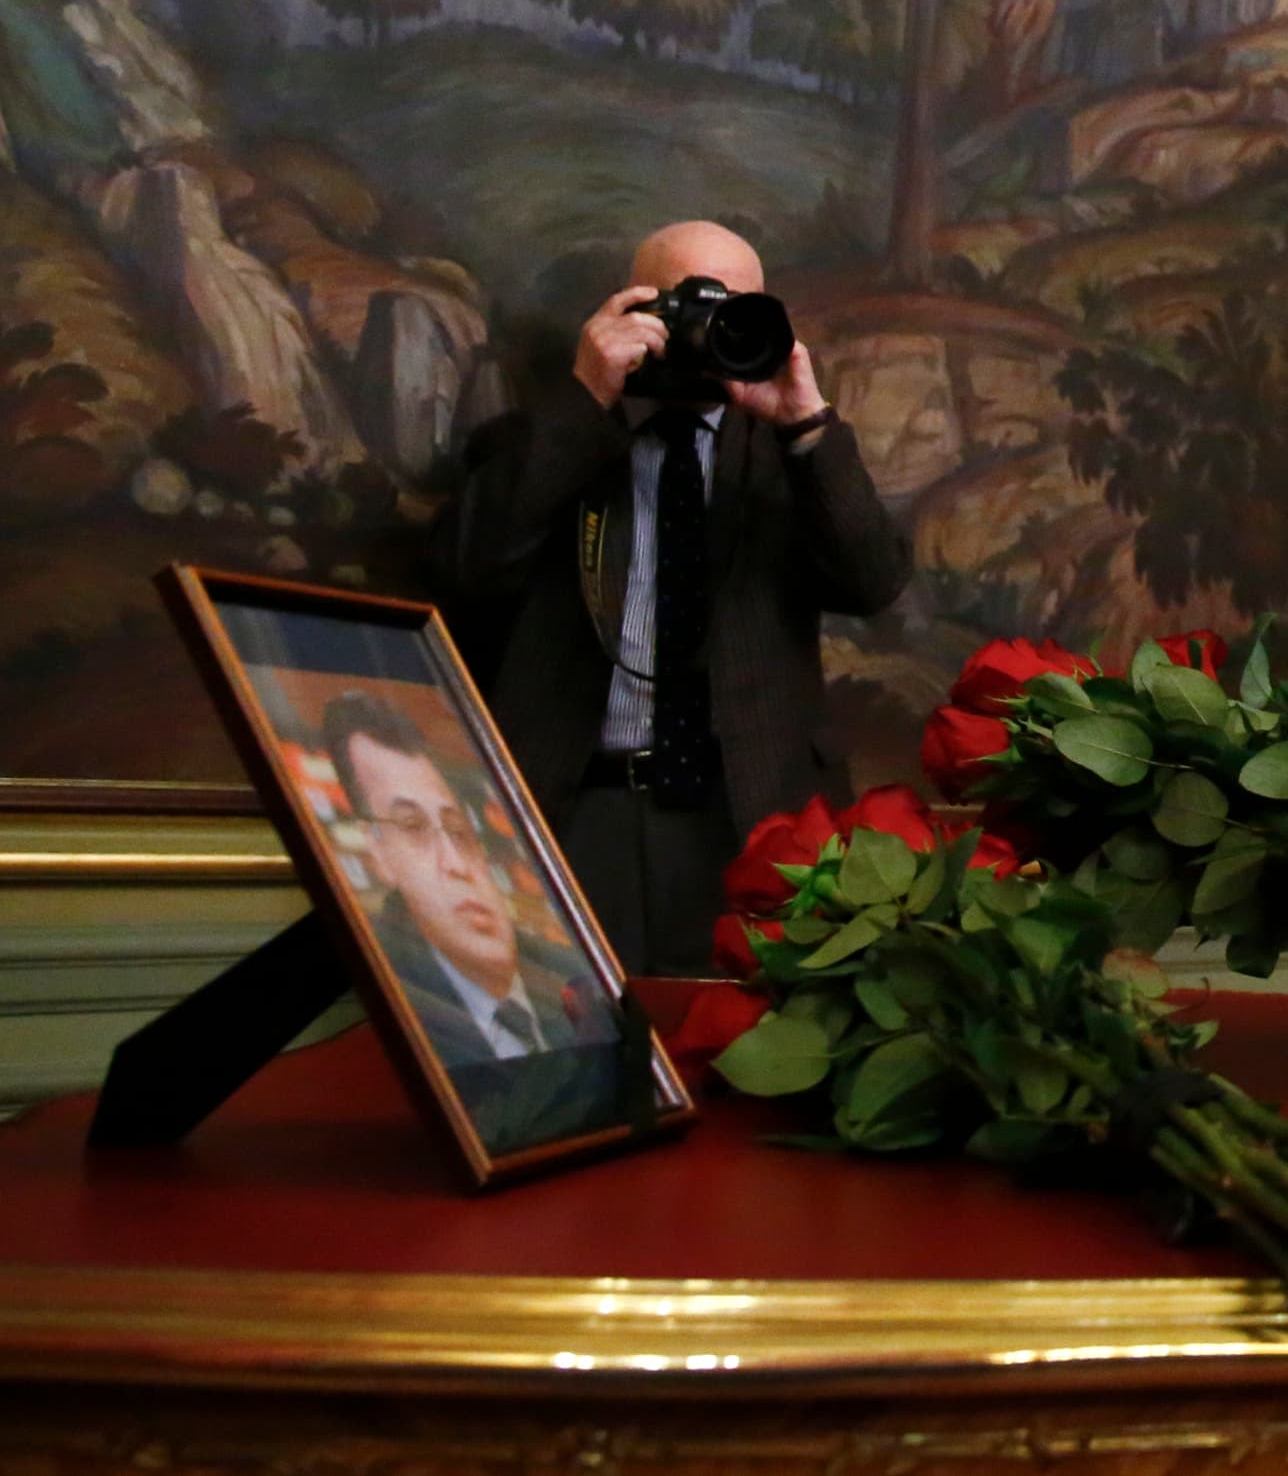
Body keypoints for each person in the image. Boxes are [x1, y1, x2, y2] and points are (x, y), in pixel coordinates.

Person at [450, 221, 909, 973]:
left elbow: (873, 581)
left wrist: (805, 424)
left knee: (743, 1055)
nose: (706, 329)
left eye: (732, 308)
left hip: (754, 812)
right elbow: (470, 567)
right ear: (632, 309)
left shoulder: (790, 453)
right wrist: (584, 397)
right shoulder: (553, 435)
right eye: (685, 305)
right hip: (578, 805)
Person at [321, 690, 633, 1153]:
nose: (456, 863)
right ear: (377, 853)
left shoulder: (572, 977)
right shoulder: (408, 1004)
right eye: (412, 827)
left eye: (460, 831)